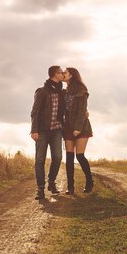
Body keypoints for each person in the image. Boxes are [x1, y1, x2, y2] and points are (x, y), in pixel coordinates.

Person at [30, 65, 65, 200]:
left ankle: (51, 182)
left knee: (57, 157)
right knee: (40, 159)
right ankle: (40, 189)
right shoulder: (42, 91)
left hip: (57, 130)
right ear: (55, 74)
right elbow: (35, 112)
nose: (63, 75)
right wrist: (34, 130)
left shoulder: (62, 92)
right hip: (42, 131)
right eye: (61, 73)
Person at [62, 67, 93, 194]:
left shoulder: (81, 91)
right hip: (68, 126)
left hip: (81, 127)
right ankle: (70, 187)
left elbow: (81, 111)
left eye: (65, 72)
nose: (63, 74)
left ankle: (89, 182)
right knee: (69, 157)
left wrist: (77, 128)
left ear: (72, 75)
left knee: (80, 156)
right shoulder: (64, 92)